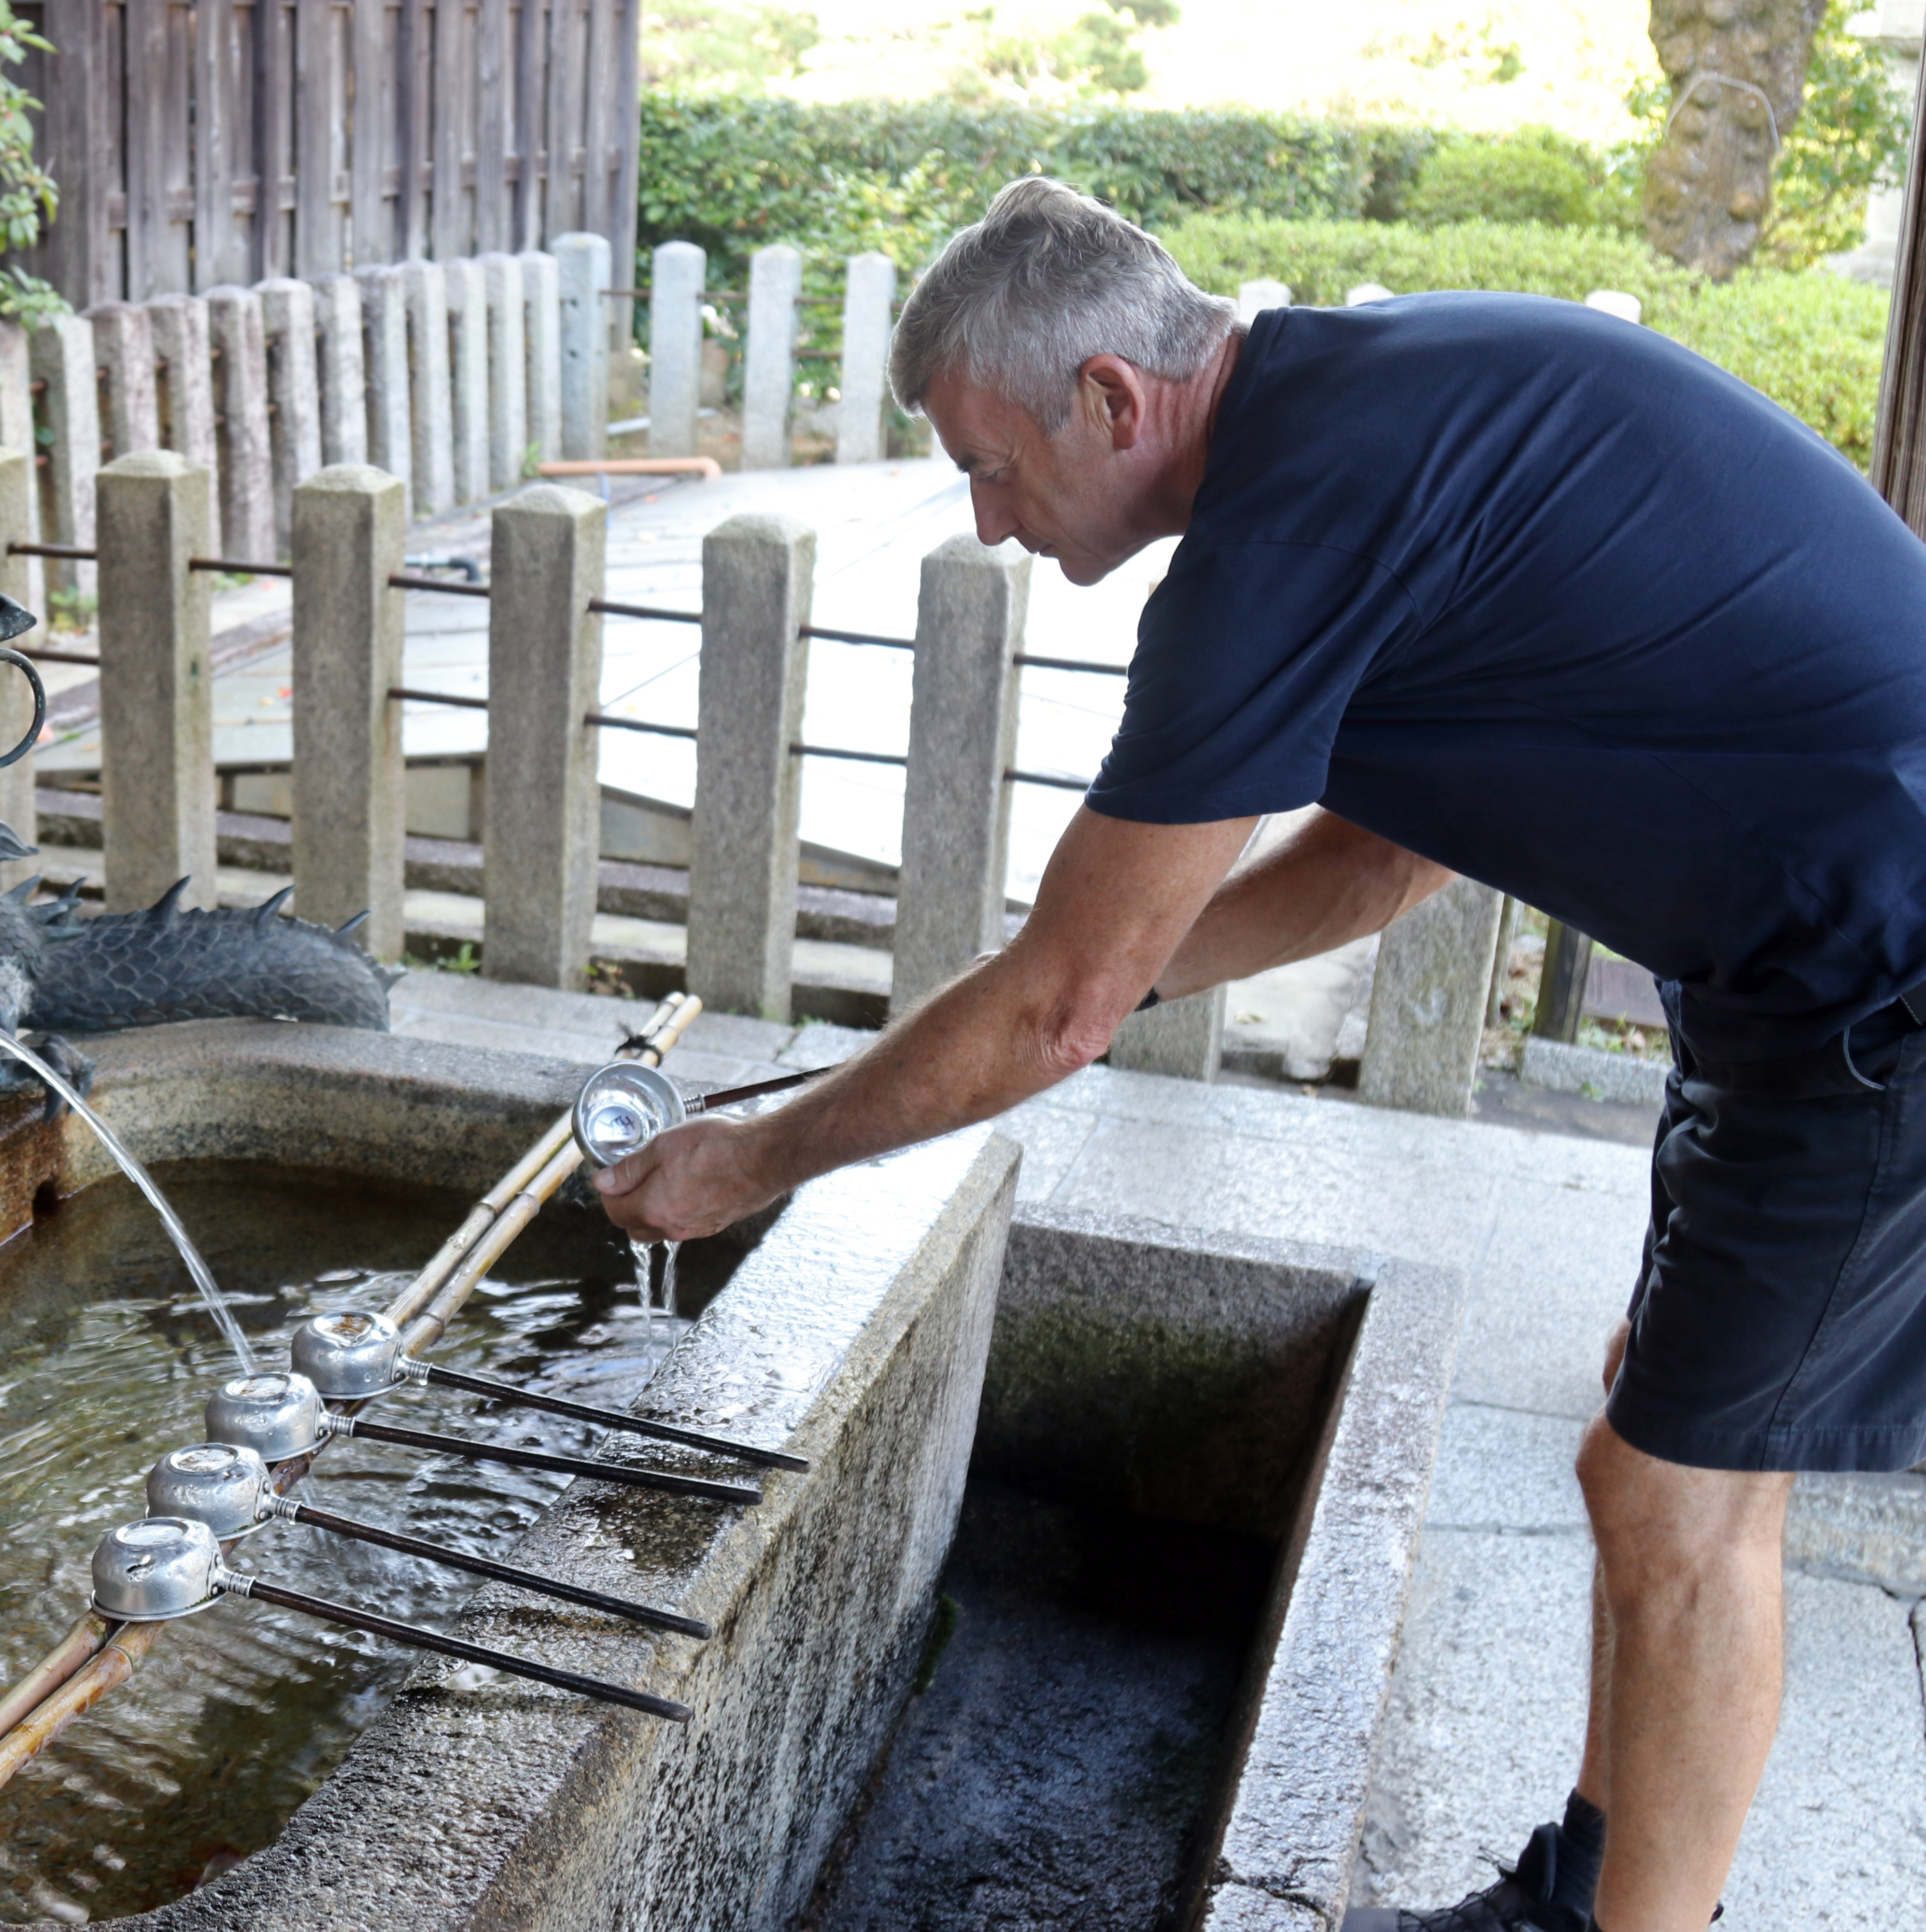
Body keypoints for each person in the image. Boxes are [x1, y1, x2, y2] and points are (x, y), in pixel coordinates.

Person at [594, 175, 1926, 1932]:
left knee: (1675, 1502)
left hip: (1882, 979)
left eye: (991, 465)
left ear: (1113, 400)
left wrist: (751, 1157)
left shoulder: (1285, 518)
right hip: (1793, 973)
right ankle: (1586, 1893)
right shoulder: (1351, 412)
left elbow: (1058, 1008)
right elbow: (1378, 865)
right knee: (1658, 1431)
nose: (989, 523)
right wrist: (1099, 973)